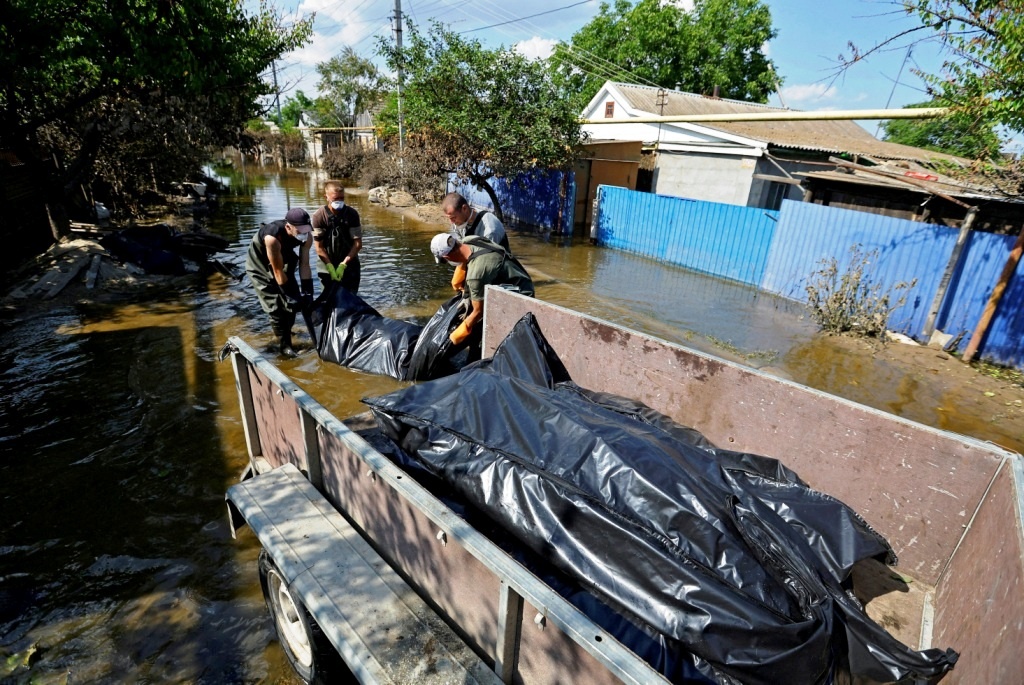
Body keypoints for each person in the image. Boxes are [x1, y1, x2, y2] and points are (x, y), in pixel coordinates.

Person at [430, 233, 534, 352]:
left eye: (444, 260)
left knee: (484, 332)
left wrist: (458, 334)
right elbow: (466, 260)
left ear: (447, 257)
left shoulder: (476, 276)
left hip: (521, 295)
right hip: (518, 276)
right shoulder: (470, 240)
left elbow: (478, 312)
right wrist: (466, 293)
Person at [245, 207, 314, 356]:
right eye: (300, 231)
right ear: (288, 227)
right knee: (275, 306)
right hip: (260, 264)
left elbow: (305, 265)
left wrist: (308, 292)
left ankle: (287, 330)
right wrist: (290, 296)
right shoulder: (272, 238)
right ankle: (284, 344)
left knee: (292, 307)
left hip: (284, 257)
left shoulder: (307, 237)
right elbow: (277, 271)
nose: (304, 234)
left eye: (307, 230)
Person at [311, 181, 362, 293]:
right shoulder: (319, 216)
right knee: (328, 296)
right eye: (335, 198)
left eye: (342, 198)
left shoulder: (352, 214)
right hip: (326, 262)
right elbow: (319, 247)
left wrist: (343, 264)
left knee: (350, 296)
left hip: (349, 262)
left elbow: (357, 244)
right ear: (326, 197)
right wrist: (329, 266)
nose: (339, 201)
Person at [441, 192, 510, 252]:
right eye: (449, 218)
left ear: (464, 208)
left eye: (453, 218)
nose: (452, 222)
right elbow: (462, 249)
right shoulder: (458, 224)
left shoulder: (489, 227)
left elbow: (487, 257)